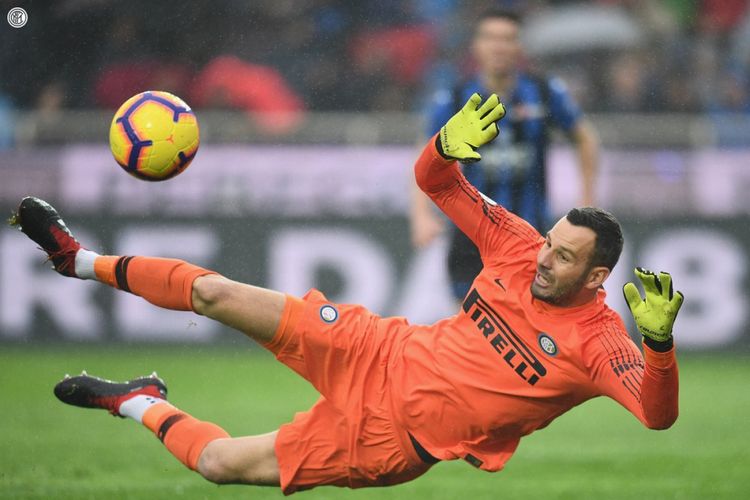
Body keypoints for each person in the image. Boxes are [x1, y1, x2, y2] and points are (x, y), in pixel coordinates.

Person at [10, 94, 683, 495]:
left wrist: (658, 345)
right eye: (548, 241)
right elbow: (435, 183)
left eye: (563, 257)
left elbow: (656, 418)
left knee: (218, 464)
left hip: (389, 438)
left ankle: (137, 402)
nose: (543, 258)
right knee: (215, 293)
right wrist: (444, 147)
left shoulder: (602, 343)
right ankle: (77, 259)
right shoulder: (516, 245)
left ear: (596, 278)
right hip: (376, 346)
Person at [412, 9, 599, 302]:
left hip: (531, 233)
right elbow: (427, 156)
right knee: (470, 327)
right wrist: (421, 216)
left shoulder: (544, 92)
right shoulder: (455, 96)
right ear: (476, 46)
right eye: (490, 38)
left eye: (507, 38)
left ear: (520, 47)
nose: (498, 46)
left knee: (532, 326)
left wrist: (587, 200)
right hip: (471, 233)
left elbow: (585, 139)